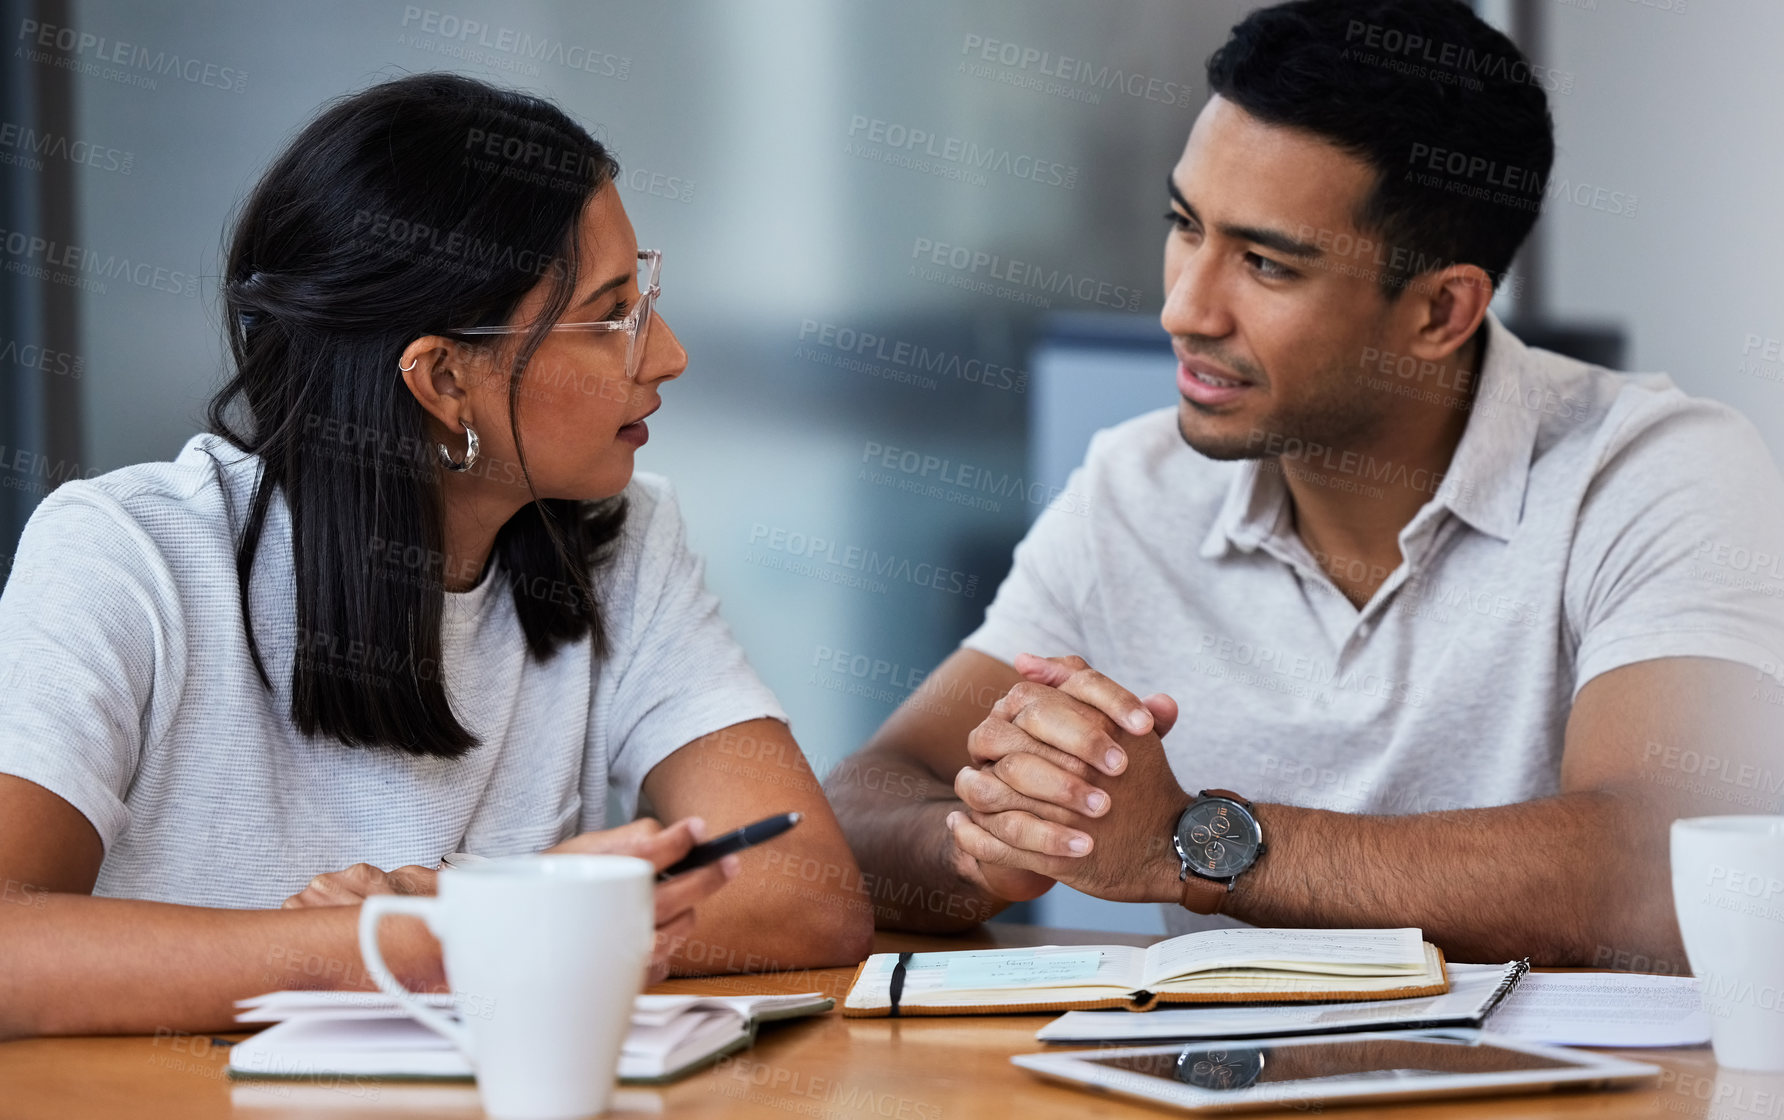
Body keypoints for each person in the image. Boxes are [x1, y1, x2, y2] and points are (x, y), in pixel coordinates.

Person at [828, 0, 1784, 966]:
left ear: (1441, 311)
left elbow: (1658, 868)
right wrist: (992, 839)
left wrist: (1190, 842)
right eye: (1183, 225)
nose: (1184, 307)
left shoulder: (1660, 471)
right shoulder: (1135, 484)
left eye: (1265, 264)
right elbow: (867, 798)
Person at [0, 72, 870, 1040]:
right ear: (443, 379)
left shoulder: (622, 543)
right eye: (611, 315)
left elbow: (811, 891)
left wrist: (474, 909)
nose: (665, 353)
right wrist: (415, 947)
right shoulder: (125, 560)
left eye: (644, 296)